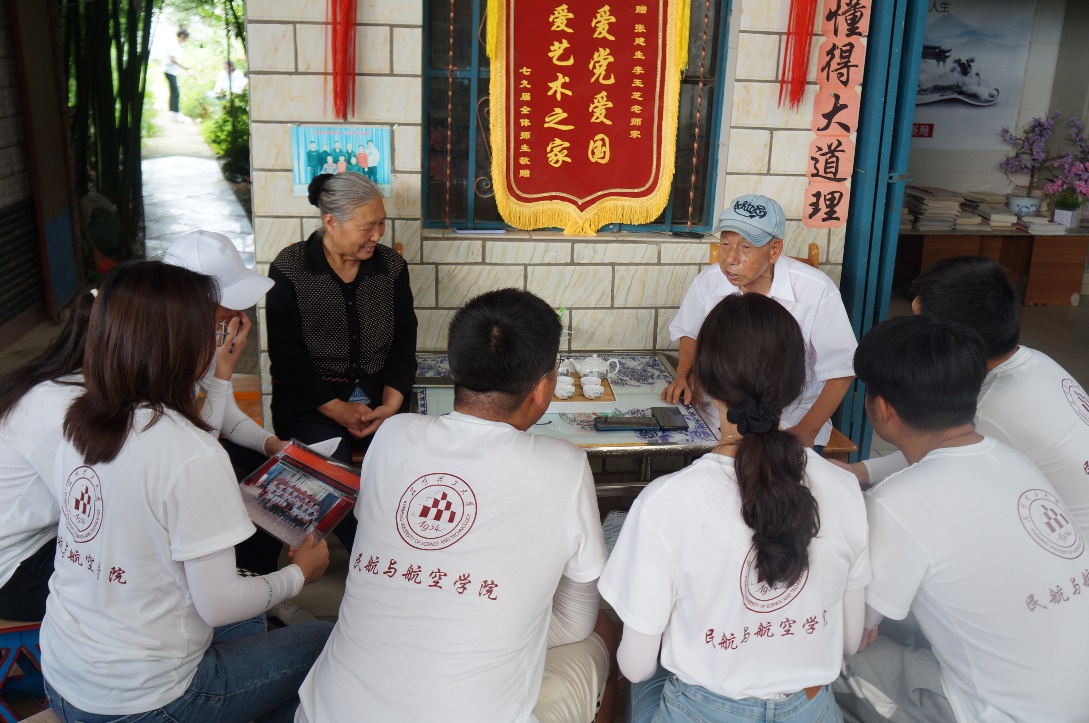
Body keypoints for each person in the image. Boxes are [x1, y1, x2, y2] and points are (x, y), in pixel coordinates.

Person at [295, 288, 614, 723]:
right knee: (602, 628)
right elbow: (576, 619)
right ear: (542, 388)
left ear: (454, 368)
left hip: (324, 713)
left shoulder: (392, 434)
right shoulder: (565, 465)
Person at [41, 261, 333, 723]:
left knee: (251, 618)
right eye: (211, 331)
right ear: (183, 345)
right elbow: (219, 604)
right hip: (146, 703)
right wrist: (300, 574)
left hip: (64, 677)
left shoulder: (78, 420)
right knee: (327, 639)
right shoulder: (190, 453)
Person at [601, 293, 869, 723]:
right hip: (810, 707)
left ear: (704, 381)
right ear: (797, 383)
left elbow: (636, 666)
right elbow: (851, 641)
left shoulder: (665, 502)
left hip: (699, 709)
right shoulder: (842, 487)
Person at [833, 314, 1089, 722]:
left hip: (998, 713)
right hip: (1072, 699)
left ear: (882, 409)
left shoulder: (898, 503)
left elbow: (852, 633)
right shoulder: (1015, 460)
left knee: (819, 651)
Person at [842, 256, 1089, 532]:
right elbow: (936, 445)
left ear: (954, 336)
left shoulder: (991, 408)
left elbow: (935, 459)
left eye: (917, 322)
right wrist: (858, 472)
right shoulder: (1034, 361)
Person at [663, 194, 856, 449]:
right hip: (718, 421)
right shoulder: (710, 280)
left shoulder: (816, 290)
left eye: (745, 247)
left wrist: (806, 431)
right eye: (725, 244)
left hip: (789, 424)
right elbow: (690, 331)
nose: (730, 259)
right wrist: (682, 374)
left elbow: (841, 369)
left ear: (774, 250)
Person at [266, 172, 416, 465]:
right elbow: (285, 355)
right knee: (329, 471)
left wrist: (390, 407)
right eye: (367, 226)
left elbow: (404, 340)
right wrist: (335, 408)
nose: (377, 235)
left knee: (399, 466)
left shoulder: (391, 267)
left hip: (381, 400)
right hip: (311, 402)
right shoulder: (290, 268)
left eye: (381, 223)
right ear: (331, 222)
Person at [0, 292, 93, 622]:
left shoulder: (63, 381)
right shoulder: (65, 407)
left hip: (32, 543)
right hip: (12, 573)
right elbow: (103, 514)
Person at [162, 28, 190, 122]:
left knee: (173, 92)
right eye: (185, 38)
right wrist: (184, 67)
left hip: (172, 71)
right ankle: (175, 114)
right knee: (176, 93)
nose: (185, 40)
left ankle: (173, 113)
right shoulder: (174, 45)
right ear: (182, 36)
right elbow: (173, 59)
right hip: (169, 71)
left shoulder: (177, 45)